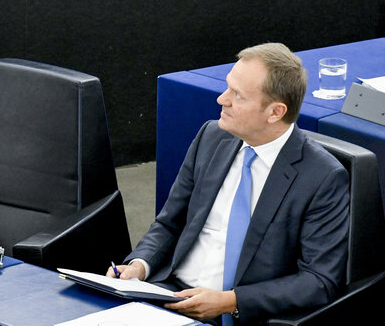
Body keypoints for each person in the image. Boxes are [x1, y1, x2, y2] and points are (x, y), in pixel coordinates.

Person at [108, 43, 349, 325]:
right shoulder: (211, 137)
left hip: (240, 314)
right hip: (169, 296)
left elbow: (318, 281)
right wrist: (139, 266)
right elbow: (169, 223)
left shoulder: (322, 177)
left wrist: (230, 301)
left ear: (275, 112)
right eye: (228, 87)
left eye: (237, 95)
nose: (222, 99)